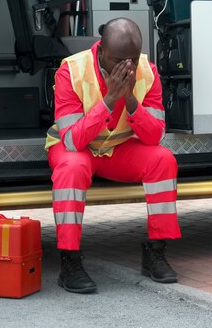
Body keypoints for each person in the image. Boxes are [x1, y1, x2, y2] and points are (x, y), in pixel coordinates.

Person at [45, 17, 181, 294]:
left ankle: (156, 251)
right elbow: (71, 140)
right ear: (101, 50)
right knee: (71, 167)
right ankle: (69, 260)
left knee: (163, 159)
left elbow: (155, 136)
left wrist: (129, 99)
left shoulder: (148, 71)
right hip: (77, 148)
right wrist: (109, 100)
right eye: (119, 59)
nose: (127, 66)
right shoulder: (71, 70)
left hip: (119, 149)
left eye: (132, 58)